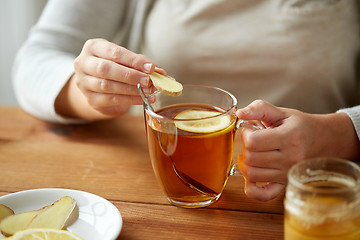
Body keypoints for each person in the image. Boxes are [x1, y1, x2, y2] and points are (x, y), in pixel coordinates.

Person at [12, 0, 360, 201]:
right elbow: (34, 60)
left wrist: (344, 132)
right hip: (151, 195)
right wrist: (89, 89)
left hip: (324, 197)